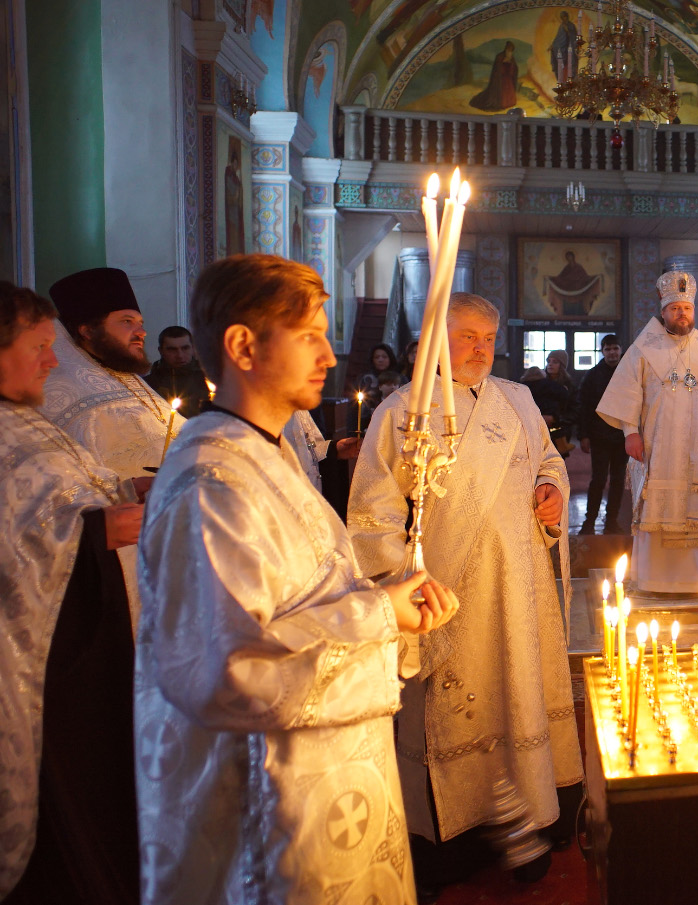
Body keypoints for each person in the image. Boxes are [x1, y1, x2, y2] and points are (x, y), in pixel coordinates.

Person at [134, 254, 458, 905]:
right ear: (242, 345)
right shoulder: (211, 482)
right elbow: (226, 674)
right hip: (270, 819)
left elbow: (308, 600)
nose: (330, 354)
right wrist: (379, 615)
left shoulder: (267, 452)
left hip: (323, 785)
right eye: (308, 333)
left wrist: (382, 599)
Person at [350, 292, 579, 891]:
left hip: (519, 587)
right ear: (434, 341)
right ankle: (453, 840)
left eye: (487, 337)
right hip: (445, 598)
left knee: (518, 695)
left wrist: (554, 493)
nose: (480, 348)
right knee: (453, 712)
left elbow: (549, 462)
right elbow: (372, 518)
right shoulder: (401, 413)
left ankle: (529, 817)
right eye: (466, 336)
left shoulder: (520, 400)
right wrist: (401, 585)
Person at [0, 283, 143, 904]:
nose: (52, 361)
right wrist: (99, 533)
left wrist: (131, 490)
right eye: (37, 346)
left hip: (87, 647)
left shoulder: (24, 419)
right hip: (40, 675)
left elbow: (77, 490)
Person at [595, 271, 698, 593]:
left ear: (694, 311)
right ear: (663, 312)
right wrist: (631, 432)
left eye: (686, 308)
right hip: (657, 445)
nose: (681, 314)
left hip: (696, 448)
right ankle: (652, 578)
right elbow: (627, 392)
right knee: (656, 505)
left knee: (695, 506)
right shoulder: (643, 348)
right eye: (675, 309)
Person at [41, 267, 170, 481]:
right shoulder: (61, 391)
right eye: (127, 321)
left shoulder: (127, 374)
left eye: (140, 323)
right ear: (88, 331)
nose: (141, 332)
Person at [577, 333, 627, 534]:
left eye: (615, 348)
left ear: (621, 350)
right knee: (598, 479)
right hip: (599, 436)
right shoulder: (592, 375)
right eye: (608, 349)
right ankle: (590, 521)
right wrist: (584, 435)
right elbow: (584, 407)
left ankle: (611, 520)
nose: (612, 353)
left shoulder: (629, 373)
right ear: (602, 351)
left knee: (618, 480)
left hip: (622, 436)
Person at [145, 325, 210, 418]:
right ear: (161, 351)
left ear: (193, 348)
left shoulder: (210, 380)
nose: (179, 355)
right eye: (172, 349)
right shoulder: (149, 385)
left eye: (185, 348)